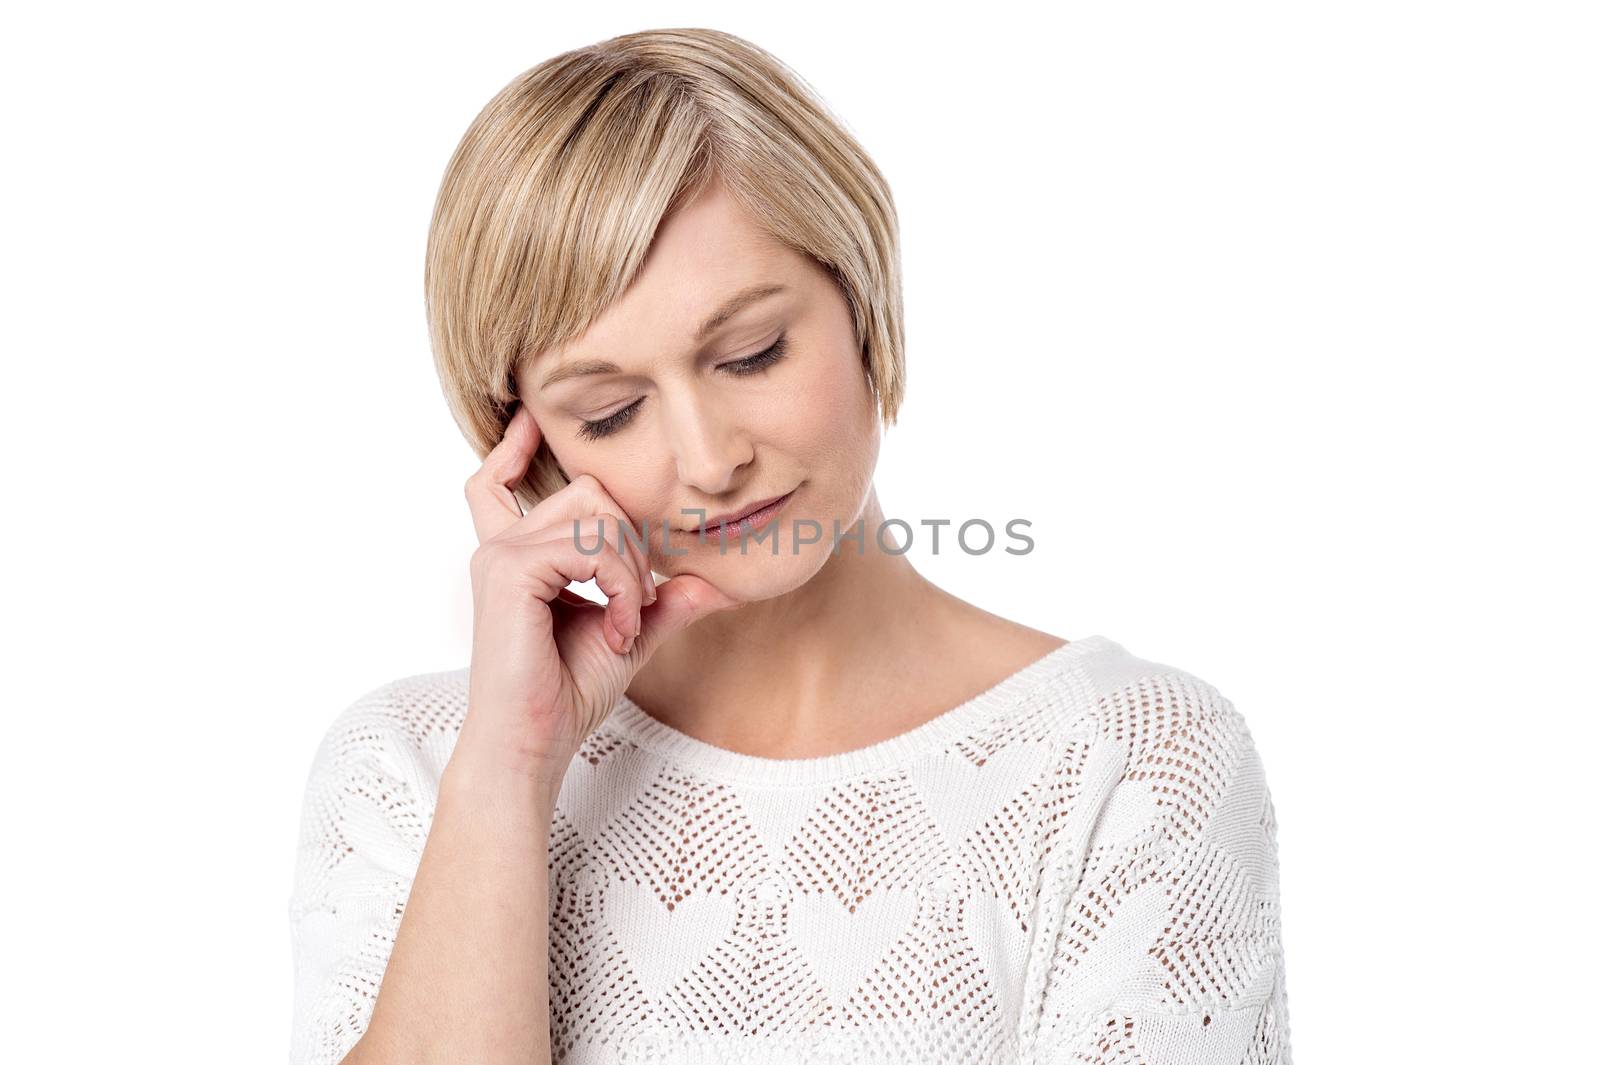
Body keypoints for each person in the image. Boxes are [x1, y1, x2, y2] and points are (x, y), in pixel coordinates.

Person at [287, 27, 1292, 1065]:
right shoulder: (411, 769)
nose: (709, 458)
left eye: (750, 353)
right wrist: (510, 767)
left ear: (860, 302)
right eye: (609, 410)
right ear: (524, 450)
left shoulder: (1130, 763)